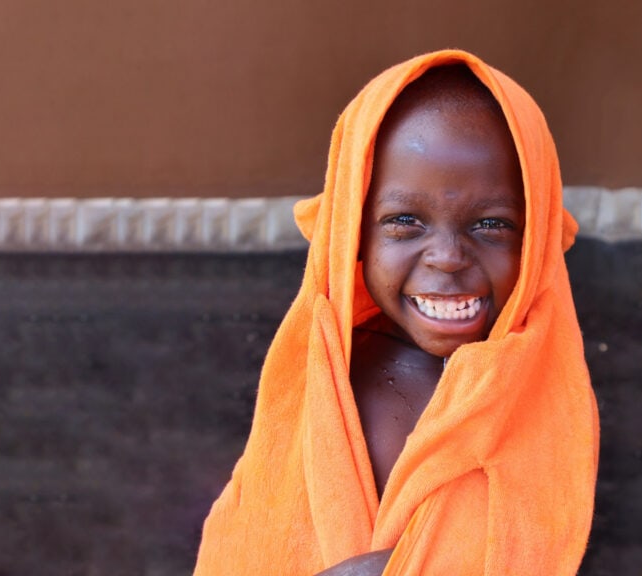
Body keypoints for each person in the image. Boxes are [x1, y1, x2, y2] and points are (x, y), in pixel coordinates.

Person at [193, 49, 599, 576]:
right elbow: (256, 540)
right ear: (352, 233)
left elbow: (535, 542)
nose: (448, 257)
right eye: (405, 220)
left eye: (493, 224)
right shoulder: (324, 390)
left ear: (538, 238)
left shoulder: (548, 399)